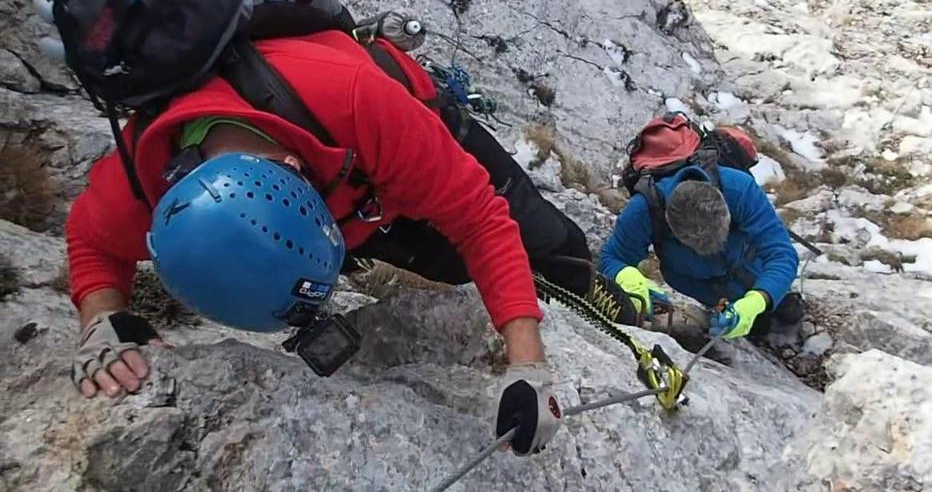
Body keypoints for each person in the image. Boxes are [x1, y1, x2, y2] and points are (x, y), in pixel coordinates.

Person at [66, 29, 593, 456]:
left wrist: (527, 363)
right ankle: (528, 283)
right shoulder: (141, 182)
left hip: (408, 134)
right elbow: (90, 239)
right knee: (458, 270)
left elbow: (480, 219)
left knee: (550, 241)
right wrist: (102, 320)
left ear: (296, 170)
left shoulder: (357, 100)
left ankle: (592, 288)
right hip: (358, 206)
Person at [598, 163, 803, 341]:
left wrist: (757, 300)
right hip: (694, 277)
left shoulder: (740, 190)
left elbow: (782, 253)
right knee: (748, 327)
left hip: (746, 261)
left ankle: (768, 307)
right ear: (671, 225)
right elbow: (611, 258)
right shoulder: (642, 211)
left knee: (783, 308)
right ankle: (737, 316)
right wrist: (628, 277)